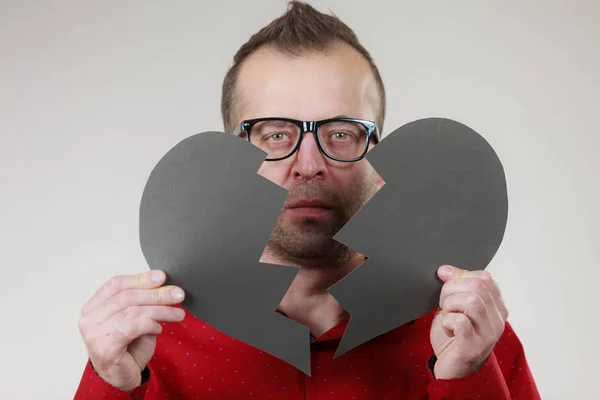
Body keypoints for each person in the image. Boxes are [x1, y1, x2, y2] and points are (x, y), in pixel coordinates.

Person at [74, 2, 541, 399]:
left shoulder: (471, 333)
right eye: (275, 134)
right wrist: (113, 386)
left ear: (382, 156)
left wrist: (462, 379)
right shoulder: (148, 339)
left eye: (341, 133)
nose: (309, 163)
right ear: (228, 156)